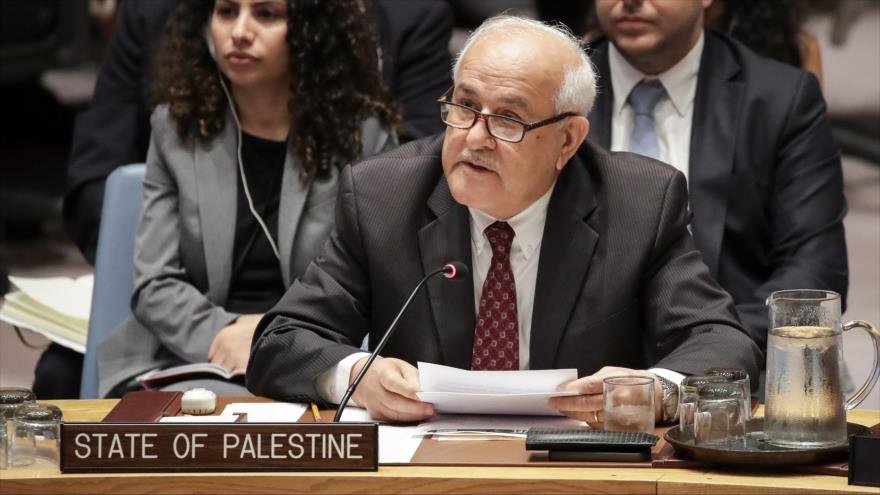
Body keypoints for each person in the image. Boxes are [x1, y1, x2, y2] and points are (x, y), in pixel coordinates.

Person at [246, 15, 762, 425]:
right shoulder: (384, 195)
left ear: (567, 140)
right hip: (426, 470)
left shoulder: (639, 204)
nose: (475, 137)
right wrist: (357, 376)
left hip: (576, 469)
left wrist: (655, 391)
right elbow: (281, 341)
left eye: (508, 119)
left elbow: (724, 343)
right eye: (464, 107)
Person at [38, 0, 453, 399]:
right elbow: (155, 283)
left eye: (266, 14)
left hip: (311, 355)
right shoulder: (175, 128)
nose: (239, 32)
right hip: (186, 354)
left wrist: (272, 341)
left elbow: (366, 288)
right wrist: (224, 331)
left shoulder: (363, 135)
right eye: (226, 11)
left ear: (310, 30)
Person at [586, 0, 848, 354]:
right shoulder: (547, 95)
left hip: (730, 362)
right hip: (577, 368)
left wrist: (711, 355)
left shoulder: (780, 99)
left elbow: (814, 271)